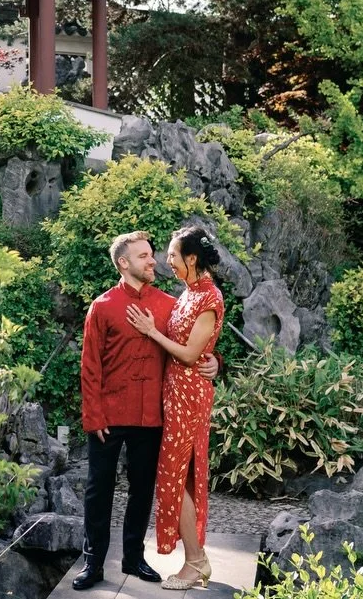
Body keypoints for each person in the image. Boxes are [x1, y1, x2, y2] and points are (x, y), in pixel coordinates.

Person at [73, 231, 219, 591]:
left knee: (142, 490)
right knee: (99, 490)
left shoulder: (171, 303)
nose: (153, 261)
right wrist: (93, 417)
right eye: (144, 256)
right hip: (108, 416)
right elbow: (89, 367)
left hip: (153, 416)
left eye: (154, 255)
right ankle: (93, 563)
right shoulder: (102, 306)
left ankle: (134, 558)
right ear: (124, 263)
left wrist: (216, 361)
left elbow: (194, 345)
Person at [126, 225, 226, 590]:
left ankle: (196, 562)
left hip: (189, 396)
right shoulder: (188, 293)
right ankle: (196, 558)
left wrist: (152, 331)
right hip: (174, 394)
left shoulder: (209, 298)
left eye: (172, 254)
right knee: (174, 474)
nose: (166, 260)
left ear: (192, 258)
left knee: (174, 474)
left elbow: (188, 353)